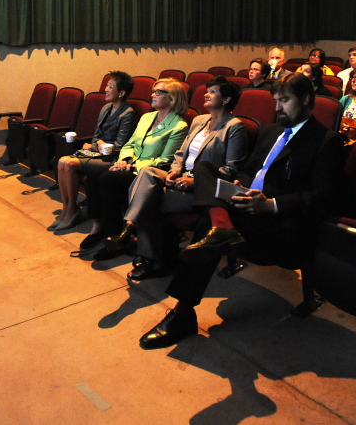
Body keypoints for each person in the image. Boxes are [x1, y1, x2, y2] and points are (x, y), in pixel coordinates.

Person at [138, 73, 345, 350]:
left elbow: (321, 199)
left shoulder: (326, 141)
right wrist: (239, 184)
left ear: (306, 99)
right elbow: (249, 170)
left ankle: (183, 311)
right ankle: (220, 224)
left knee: (204, 225)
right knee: (203, 168)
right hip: (241, 204)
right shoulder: (271, 131)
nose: (278, 107)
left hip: (277, 222)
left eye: (284, 100)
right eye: (275, 100)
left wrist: (269, 204)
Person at [93, 78, 249, 278]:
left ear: (226, 99)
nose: (206, 94)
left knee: (148, 198)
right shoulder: (200, 120)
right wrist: (175, 171)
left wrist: (195, 181)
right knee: (146, 173)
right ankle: (132, 232)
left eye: (213, 92)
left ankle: (150, 257)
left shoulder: (234, 127)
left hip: (203, 188)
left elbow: (231, 169)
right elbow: (181, 154)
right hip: (180, 177)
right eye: (207, 90)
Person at [79, 79, 189, 252]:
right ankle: (98, 227)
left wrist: (132, 166)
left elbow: (164, 160)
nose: (153, 95)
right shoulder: (147, 117)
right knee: (93, 174)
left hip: (148, 172)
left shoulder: (178, 126)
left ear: (172, 98)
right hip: (129, 164)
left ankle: (115, 236)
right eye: (153, 91)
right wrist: (124, 160)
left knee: (109, 179)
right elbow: (130, 144)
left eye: (159, 92)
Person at [51, 72, 136, 231]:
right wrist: (98, 143)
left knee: (69, 164)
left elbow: (119, 145)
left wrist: (96, 145)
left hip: (110, 157)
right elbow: (96, 136)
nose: (106, 89)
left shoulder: (128, 113)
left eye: (110, 87)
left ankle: (71, 211)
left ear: (121, 93)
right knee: (62, 161)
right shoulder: (105, 108)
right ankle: (67, 208)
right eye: (107, 86)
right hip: (97, 152)